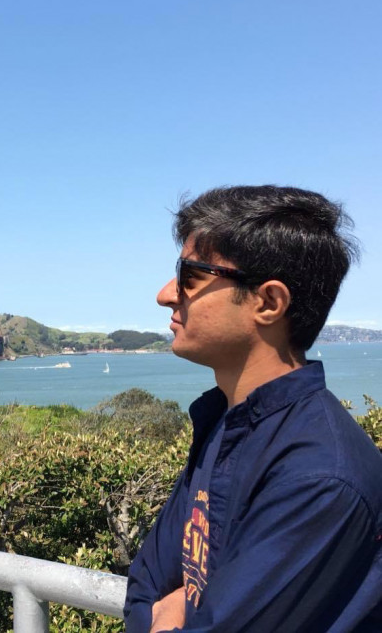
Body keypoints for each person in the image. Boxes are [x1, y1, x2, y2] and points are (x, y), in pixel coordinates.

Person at [123, 186, 382, 632]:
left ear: (268, 302)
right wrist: (166, 612)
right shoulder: (225, 422)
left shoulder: (320, 477)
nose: (166, 294)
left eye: (190, 276)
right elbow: (143, 589)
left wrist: (180, 609)